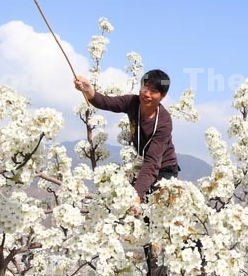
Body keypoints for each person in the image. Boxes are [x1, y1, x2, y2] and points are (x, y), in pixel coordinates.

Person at [74, 69, 180, 200]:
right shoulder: (132, 102)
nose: (147, 94)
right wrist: (87, 88)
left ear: (163, 96)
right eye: (144, 88)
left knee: (150, 209)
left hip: (164, 169)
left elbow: (152, 162)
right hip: (143, 165)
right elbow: (105, 102)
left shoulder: (164, 122)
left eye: (153, 91)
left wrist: (137, 195)